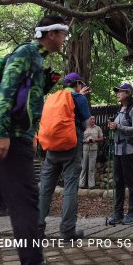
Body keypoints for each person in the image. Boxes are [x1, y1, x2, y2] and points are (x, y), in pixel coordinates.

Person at [0, 14, 68, 265]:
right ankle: (33, 261)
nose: (65, 39)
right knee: (26, 203)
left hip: (12, 138)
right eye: (63, 34)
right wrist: (2, 134)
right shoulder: (26, 53)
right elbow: (6, 91)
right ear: (52, 34)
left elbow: (25, 100)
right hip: (10, 141)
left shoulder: (36, 58)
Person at [38, 72, 91, 241]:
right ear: (77, 84)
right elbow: (87, 122)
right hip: (71, 145)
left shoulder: (52, 97)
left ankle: (37, 229)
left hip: (51, 147)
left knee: (45, 189)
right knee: (70, 188)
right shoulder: (79, 98)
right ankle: (67, 230)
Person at [107, 83, 133, 225]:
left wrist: (118, 126)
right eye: (117, 91)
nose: (117, 94)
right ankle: (118, 213)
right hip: (118, 150)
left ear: (128, 93)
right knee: (118, 181)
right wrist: (112, 127)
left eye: (120, 91)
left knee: (131, 181)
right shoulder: (120, 110)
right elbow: (118, 129)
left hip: (129, 151)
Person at [79, 116, 103, 189]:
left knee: (91, 168)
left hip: (94, 149)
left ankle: (91, 185)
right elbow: (80, 139)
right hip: (85, 149)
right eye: (91, 119)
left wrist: (95, 140)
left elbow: (102, 138)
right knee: (83, 167)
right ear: (88, 120)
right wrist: (85, 141)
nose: (93, 120)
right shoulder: (84, 128)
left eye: (93, 119)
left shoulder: (98, 128)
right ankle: (81, 184)